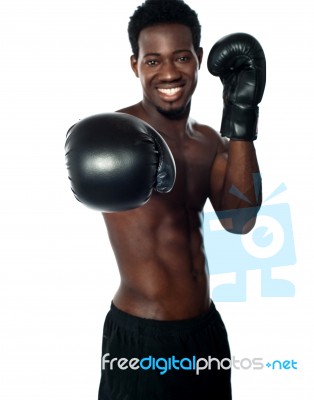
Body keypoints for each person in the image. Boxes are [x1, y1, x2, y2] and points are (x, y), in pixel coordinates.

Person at [65, 0, 266, 398]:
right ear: (134, 65)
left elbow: (240, 221)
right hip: (143, 339)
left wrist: (240, 117)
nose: (170, 73)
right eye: (153, 61)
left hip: (205, 332)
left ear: (199, 59)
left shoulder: (208, 139)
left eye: (181, 57)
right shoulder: (115, 135)